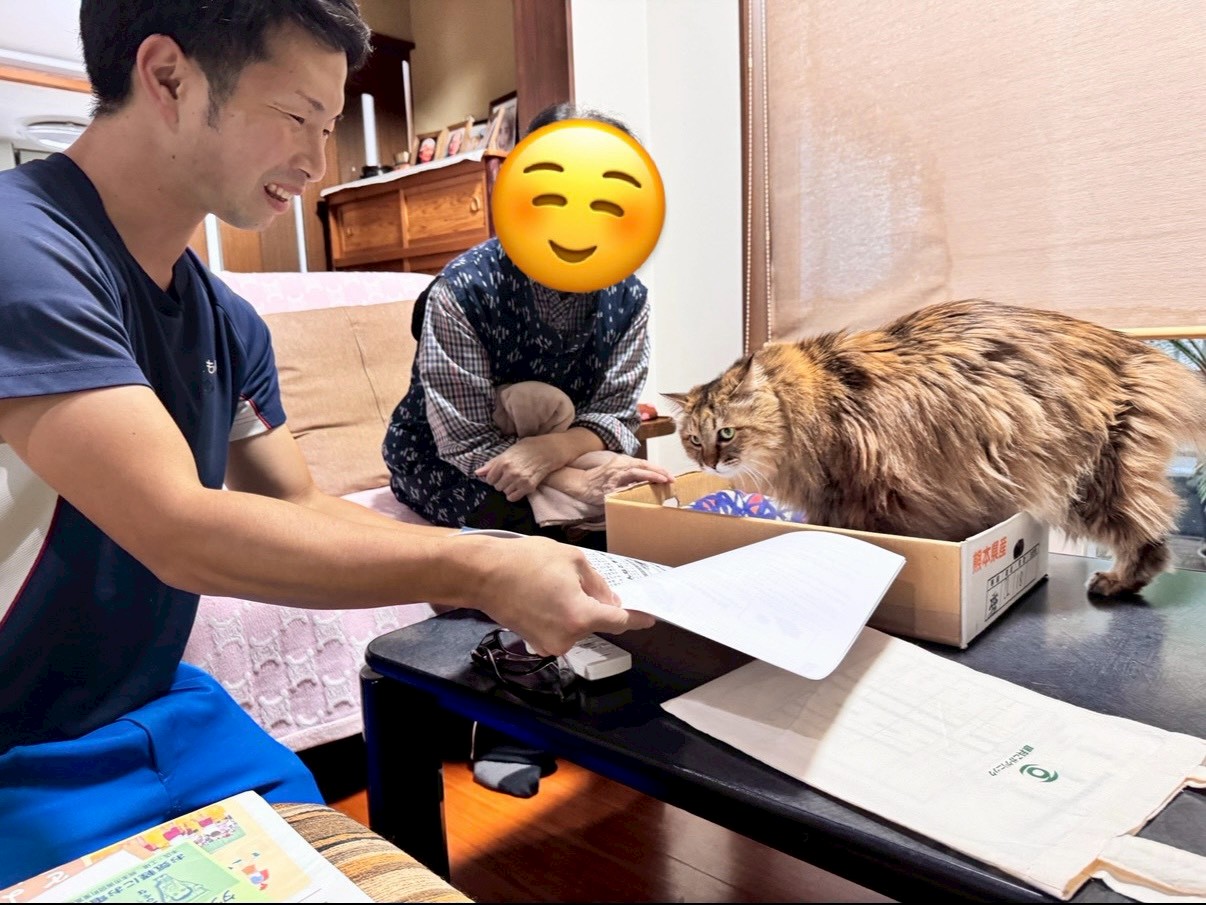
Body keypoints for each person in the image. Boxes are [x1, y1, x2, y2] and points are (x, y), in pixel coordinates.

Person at [0, 1, 654, 888]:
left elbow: (297, 502)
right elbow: (178, 528)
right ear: (168, 77)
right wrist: (483, 569)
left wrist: (501, 554)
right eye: (295, 115)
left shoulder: (225, 320)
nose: (316, 161)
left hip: (163, 709)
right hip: (20, 749)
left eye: (328, 124)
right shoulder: (22, 247)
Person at [384, 103, 674, 550]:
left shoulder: (628, 297)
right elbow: (463, 441)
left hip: (562, 445)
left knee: (642, 503)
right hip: (446, 459)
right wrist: (576, 485)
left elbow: (615, 413)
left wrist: (550, 452)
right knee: (534, 535)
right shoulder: (464, 289)